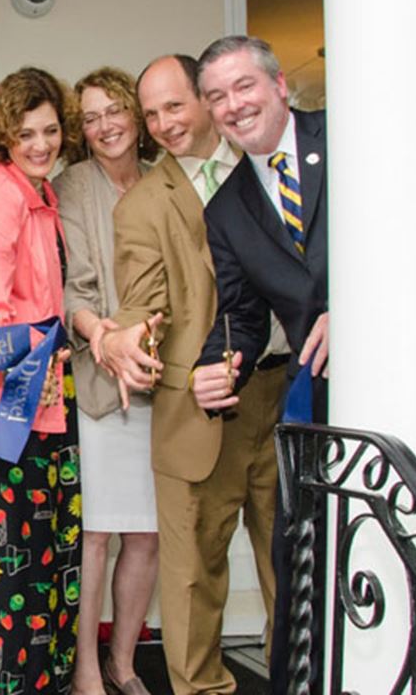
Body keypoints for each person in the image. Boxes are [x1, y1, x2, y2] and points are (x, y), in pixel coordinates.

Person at [98, 54, 281, 695]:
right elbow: (142, 303)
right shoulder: (142, 206)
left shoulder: (271, 169)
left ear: (205, 100)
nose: (163, 123)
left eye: (174, 105)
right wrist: (122, 336)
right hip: (197, 407)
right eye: (151, 113)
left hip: (288, 391)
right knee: (192, 578)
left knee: (294, 564)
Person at [189, 35, 329, 694]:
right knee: (302, 559)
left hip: (407, 373)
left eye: (243, 86)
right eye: (217, 96)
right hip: (318, 395)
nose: (233, 105)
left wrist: (360, 309)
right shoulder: (225, 209)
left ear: (278, 85)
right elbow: (242, 315)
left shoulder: (352, 135)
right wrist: (215, 366)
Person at [0, 66, 81, 693]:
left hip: (46, 395)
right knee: (4, 573)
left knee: (40, 565)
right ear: (4, 134)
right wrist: (32, 367)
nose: (40, 144)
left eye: (50, 130)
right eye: (26, 133)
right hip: (7, 401)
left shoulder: (43, 194)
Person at [52, 67, 159, 695]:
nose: (105, 126)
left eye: (114, 110)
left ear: (135, 116)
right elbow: (74, 286)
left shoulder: (165, 180)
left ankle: (123, 663)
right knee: (95, 534)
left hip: (161, 383)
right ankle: (85, 667)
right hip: (99, 378)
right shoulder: (72, 185)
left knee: (145, 533)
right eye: (90, 118)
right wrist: (106, 339)